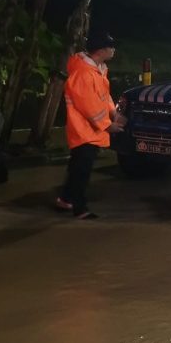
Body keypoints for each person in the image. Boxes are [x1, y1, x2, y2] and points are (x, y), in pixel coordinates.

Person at [57, 32, 124, 219]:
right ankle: (80, 208)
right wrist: (108, 125)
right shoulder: (84, 73)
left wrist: (113, 112)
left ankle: (65, 199)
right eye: (111, 47)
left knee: (77, 167)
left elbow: (103, 96)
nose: (114, 50)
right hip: (83, 130)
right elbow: (88, 105)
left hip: (90, 130)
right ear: (101, 51)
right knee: (81, 171)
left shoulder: (98, 69)